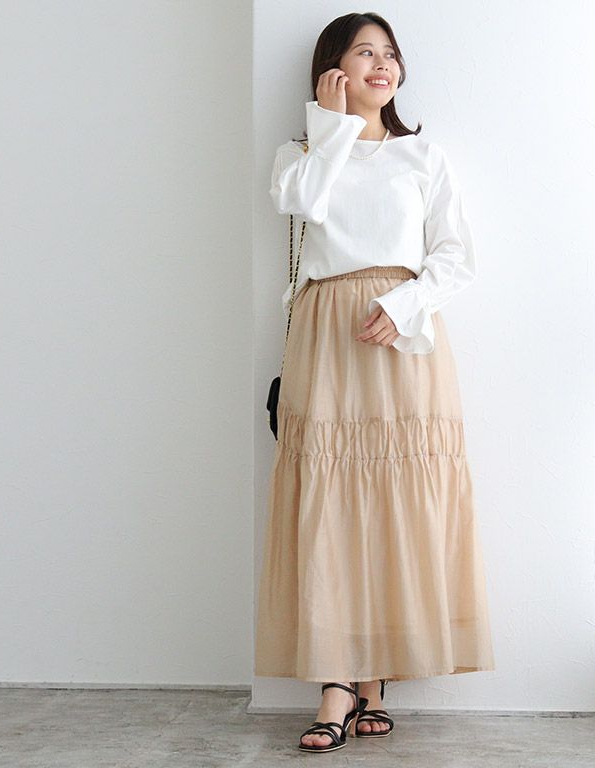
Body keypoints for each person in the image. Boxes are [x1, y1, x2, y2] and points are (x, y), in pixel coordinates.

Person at [254, 11, 495, 754]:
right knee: (329, 500)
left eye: (389, 53)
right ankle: (336, 682)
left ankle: (375, 677)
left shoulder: (423, 155)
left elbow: (455, 255)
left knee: (397, 499)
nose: (382, 65)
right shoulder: (300, 154)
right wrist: (329, 128)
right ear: (332, 68)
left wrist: (404, 304)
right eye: (364, 53)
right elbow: (301, 203)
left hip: (402, 333)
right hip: (327, 333)